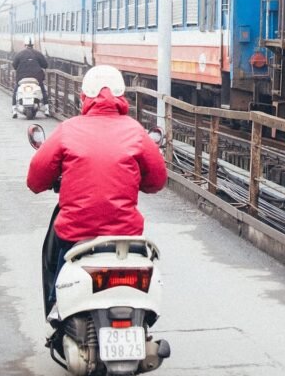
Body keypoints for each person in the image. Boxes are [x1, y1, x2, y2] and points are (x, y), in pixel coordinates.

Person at [25, 65, 168, 317]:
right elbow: (156, 181)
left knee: (54, 257)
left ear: (84, 97)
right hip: (126, 234)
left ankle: (57, 306)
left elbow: (36, 179)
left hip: (75, 232)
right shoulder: (135, 130)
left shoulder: (68, 129)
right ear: (121, 97)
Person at [12, 35, 50, 118]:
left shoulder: (19, 54)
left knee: (16, 91)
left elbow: (14, 65)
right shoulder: (38, 54)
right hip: (36, 78)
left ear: (24, 44)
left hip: (21, 78)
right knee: (43, 91)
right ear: (33, 44)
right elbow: (45, 65)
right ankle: (47, 109)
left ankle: (14, 109)